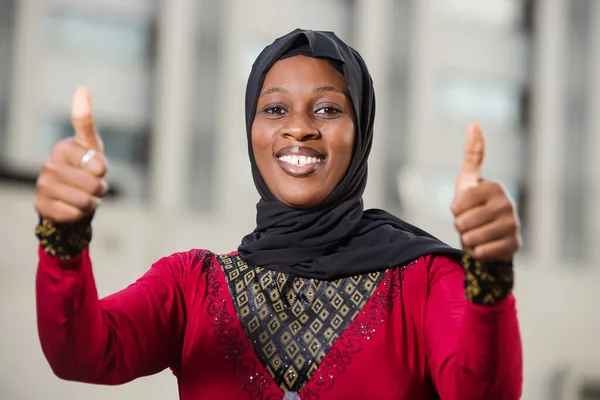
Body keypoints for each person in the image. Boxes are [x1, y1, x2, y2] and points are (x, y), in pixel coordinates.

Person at [33, 29, 522, 400]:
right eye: (274, 110)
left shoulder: (426, 280)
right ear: (251, 131)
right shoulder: (191, 284)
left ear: (362, 132)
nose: (299, 129)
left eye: (328, 110)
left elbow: (482, 391)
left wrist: (491, 278)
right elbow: (83, 353)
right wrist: (63, 240)